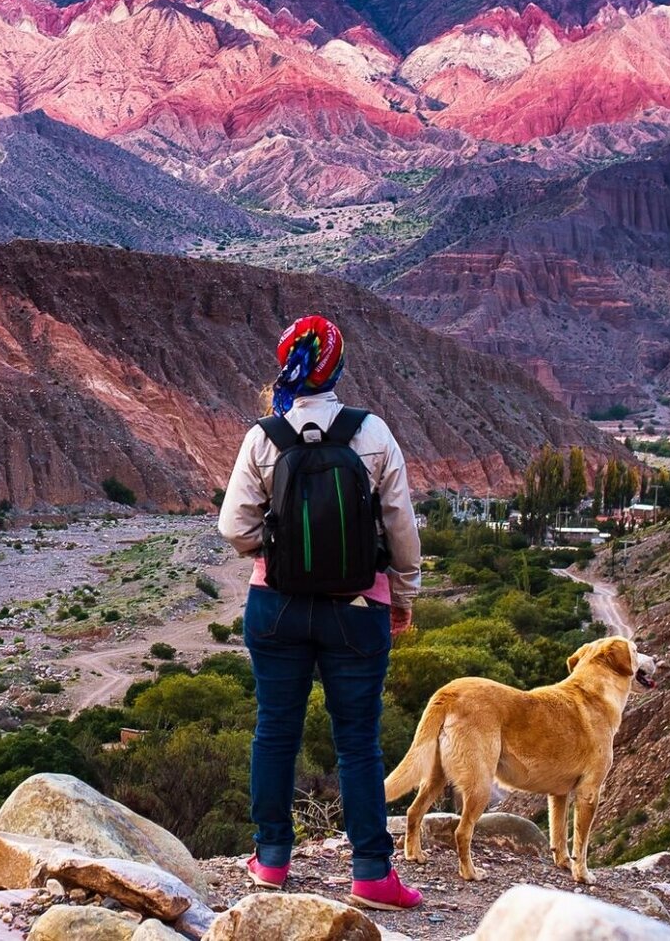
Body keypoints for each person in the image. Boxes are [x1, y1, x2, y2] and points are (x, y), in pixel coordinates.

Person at [217, 314, 423, 911]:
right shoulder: (373, 432)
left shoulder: (265, 436)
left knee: (275, 730)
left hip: (275, 606)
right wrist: (402, 598)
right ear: (338, 368)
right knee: (357, 741)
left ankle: (271, 860)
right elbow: (401, 529)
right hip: (358, 609)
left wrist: (275, 552)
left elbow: (234, 527)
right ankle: (371, 874)